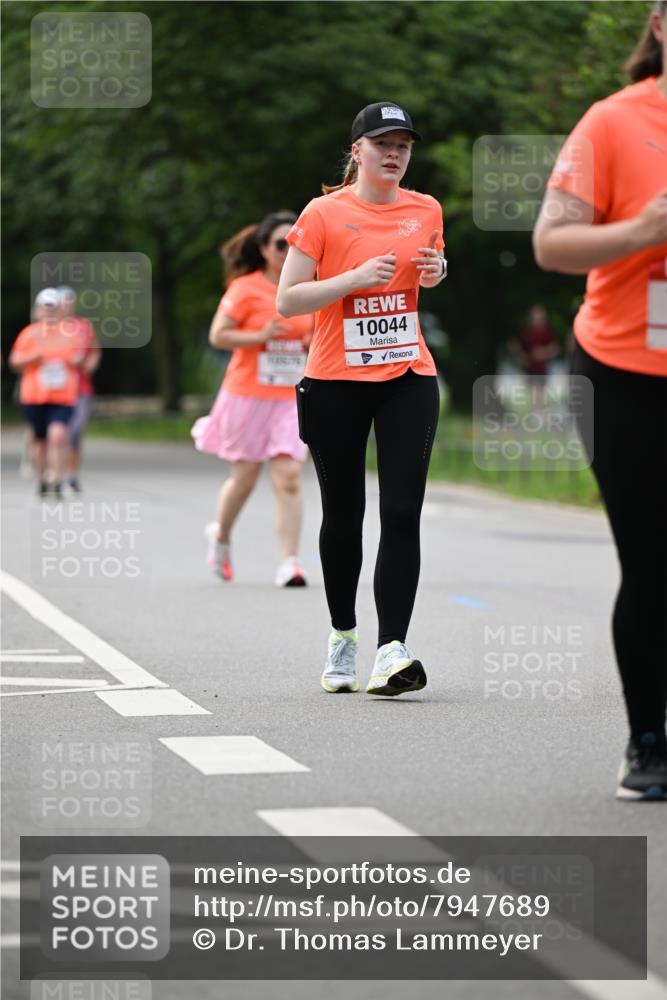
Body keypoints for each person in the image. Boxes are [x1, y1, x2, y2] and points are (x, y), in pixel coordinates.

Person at [534, 0, 667, 800]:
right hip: (624, 368)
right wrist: (638, 232)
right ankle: (646, 742)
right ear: (657, 22)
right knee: (649, 561)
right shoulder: (614, 121)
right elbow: (551, 243)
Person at [277, 101, 446, 696]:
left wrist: (435, 271)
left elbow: (427, 269)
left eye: (403, 144)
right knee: (344, 516)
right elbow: (288, 300)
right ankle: (343, 635)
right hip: (334, 381)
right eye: (382, 144)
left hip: (407, 374)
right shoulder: (323, 213)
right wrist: (352, 280)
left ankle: (392, 650)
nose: (394, 154)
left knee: (402, 511)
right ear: (357, 152)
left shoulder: (425, 209)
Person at [192, 210, 314, 586]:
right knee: (243, 479)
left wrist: (311, 344)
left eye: (294, 242)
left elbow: (319, 333)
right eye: (280, 243)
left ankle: (289, 562)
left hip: (291, 397)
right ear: (263, 249)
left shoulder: (310, 287)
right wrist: (259, 335)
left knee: (290, 476)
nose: (287, 249)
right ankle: (222, 536)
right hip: (247, 394)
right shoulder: (245, 288)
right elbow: (219, 336)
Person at [9, 288, 86, 498]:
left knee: (58, 435)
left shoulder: (70, 333)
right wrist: (33, 357)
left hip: (63, 396)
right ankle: (42, 478)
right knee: (40, 442)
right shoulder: (29, 334)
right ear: (39, 310)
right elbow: (14, 362)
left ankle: (57, 478)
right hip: (34, 396)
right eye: (46, 308)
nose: (50, 312)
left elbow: (81, 358)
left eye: (54, 308)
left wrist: (75, 360)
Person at [57, 286, 101, 493]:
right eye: (62, 302)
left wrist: (90, 363)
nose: (66, 305)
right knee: (58, 432)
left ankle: (71, 475)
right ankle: (55, 472)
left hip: (81, 388)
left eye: (69, 301)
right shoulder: (50, 327)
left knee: (74, 431)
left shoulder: (83, 326)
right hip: (56, 390)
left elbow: (94, 351)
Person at [509, 304, 558, 397]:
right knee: (531, 394)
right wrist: (521, 356)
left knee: (539, 393)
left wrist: (544, 353)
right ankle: (536, 410)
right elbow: (513, 344)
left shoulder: (547, 332)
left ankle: (539, 410)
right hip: (529, 368)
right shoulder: (526, 332)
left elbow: (555, 348)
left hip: (542, 368)